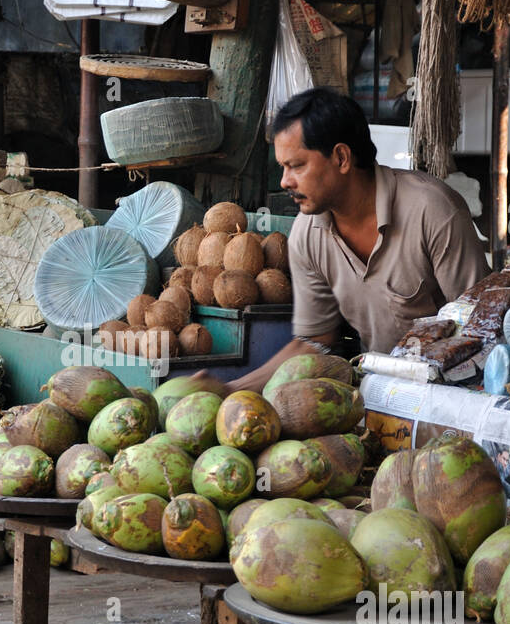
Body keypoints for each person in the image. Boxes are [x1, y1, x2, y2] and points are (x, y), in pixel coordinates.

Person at [199, 88, 488, 395]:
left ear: (341, 157)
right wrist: (231, 390)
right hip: (377, 398)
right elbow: (316, 342)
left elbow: (480, 328)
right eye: (283, 167)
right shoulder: (307, 234)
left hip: (452, 394)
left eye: (296, 166)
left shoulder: (432, 210)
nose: (284, 181)